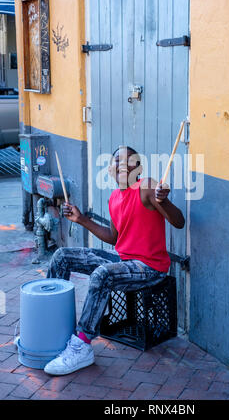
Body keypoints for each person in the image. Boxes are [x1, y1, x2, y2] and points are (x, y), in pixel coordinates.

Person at [44, 146, 185, 376]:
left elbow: (179, 222)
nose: (121, 164)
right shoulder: (114, 198)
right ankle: (51, 328)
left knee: (102, 273)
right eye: (117, 160)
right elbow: (113, 238)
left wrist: (165, 201)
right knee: (62, 256)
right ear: (110, 168)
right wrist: (81, 219)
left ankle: (81, 345)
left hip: (150, 267)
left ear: (137, 168)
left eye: (128, 160)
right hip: (125, 260)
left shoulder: (146, 187)